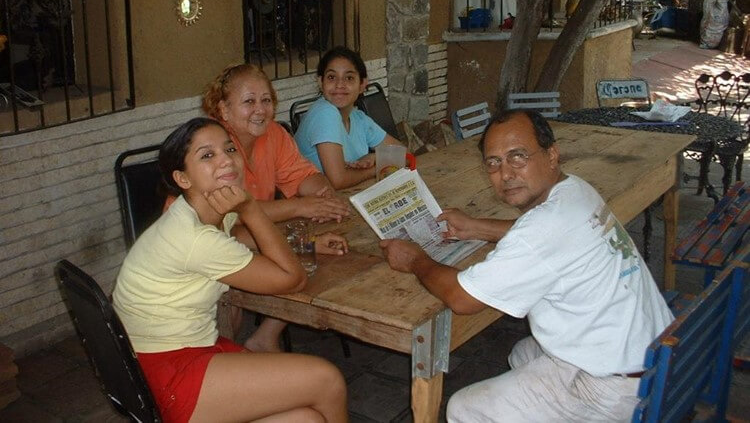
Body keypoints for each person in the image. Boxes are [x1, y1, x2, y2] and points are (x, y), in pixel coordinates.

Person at [379, 110, 673, 422]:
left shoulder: (543, 228)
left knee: (464, 408)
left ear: (551, 155)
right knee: (523, 353)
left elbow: (462, 298)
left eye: (517, 156)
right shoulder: (575, 190)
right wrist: (475, 226)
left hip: (615, 390)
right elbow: (545, 238)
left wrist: (414, 260)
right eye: (493, 162)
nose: (505, 173)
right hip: (655, 355)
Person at [113, 118, 348, 423]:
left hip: (164, 357)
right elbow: (293, 279)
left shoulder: (196, 209)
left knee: (306, 419)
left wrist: (308, 245)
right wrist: (249, 209)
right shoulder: (195, 237)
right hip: (170, 372)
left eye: (229, 148)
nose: (226, 159)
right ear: (183, 178)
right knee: (327, 380)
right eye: (207, 155)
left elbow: (235, 241)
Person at [202, 63, 350, 352]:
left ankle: (264, 336)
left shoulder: (274, 134)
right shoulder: (212, 148)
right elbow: (235, 216)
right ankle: (223, 363)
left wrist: (322, 195)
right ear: (223, 108)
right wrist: (301, 207)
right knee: (294, 261)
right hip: (214, 243)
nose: (260, 109)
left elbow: (302, 175)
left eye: (266, 100)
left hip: (247, 234)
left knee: (318, 252)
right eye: (249, 101)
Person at [294, 47, 402, 189]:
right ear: (321, 82)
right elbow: (338, 180)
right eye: (332, 77)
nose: (339, 85)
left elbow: (402, 153)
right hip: (311, 205)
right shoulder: (324, 113)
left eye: (349, 78)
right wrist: (380, 166)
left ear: (362, 84)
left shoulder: (358, 118)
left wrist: (376, 157)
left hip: (347, 198)